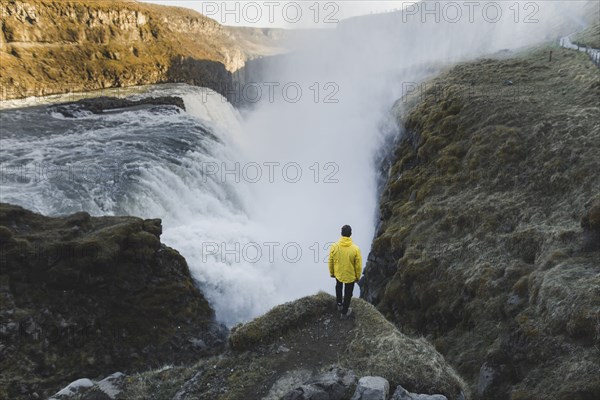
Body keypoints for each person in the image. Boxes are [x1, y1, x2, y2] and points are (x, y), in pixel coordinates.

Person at [328, 225, 362, 319]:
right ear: (350, 234)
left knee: (338, 287)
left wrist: (332, 272)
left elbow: (330, 260)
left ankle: (339, 304)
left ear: (341, 233)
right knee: (348, 294)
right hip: (350, 275)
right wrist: (357, 276)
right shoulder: (355, 249)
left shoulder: (334, 246)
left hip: (338, 273)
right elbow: (358, 265)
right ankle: (344, 312)